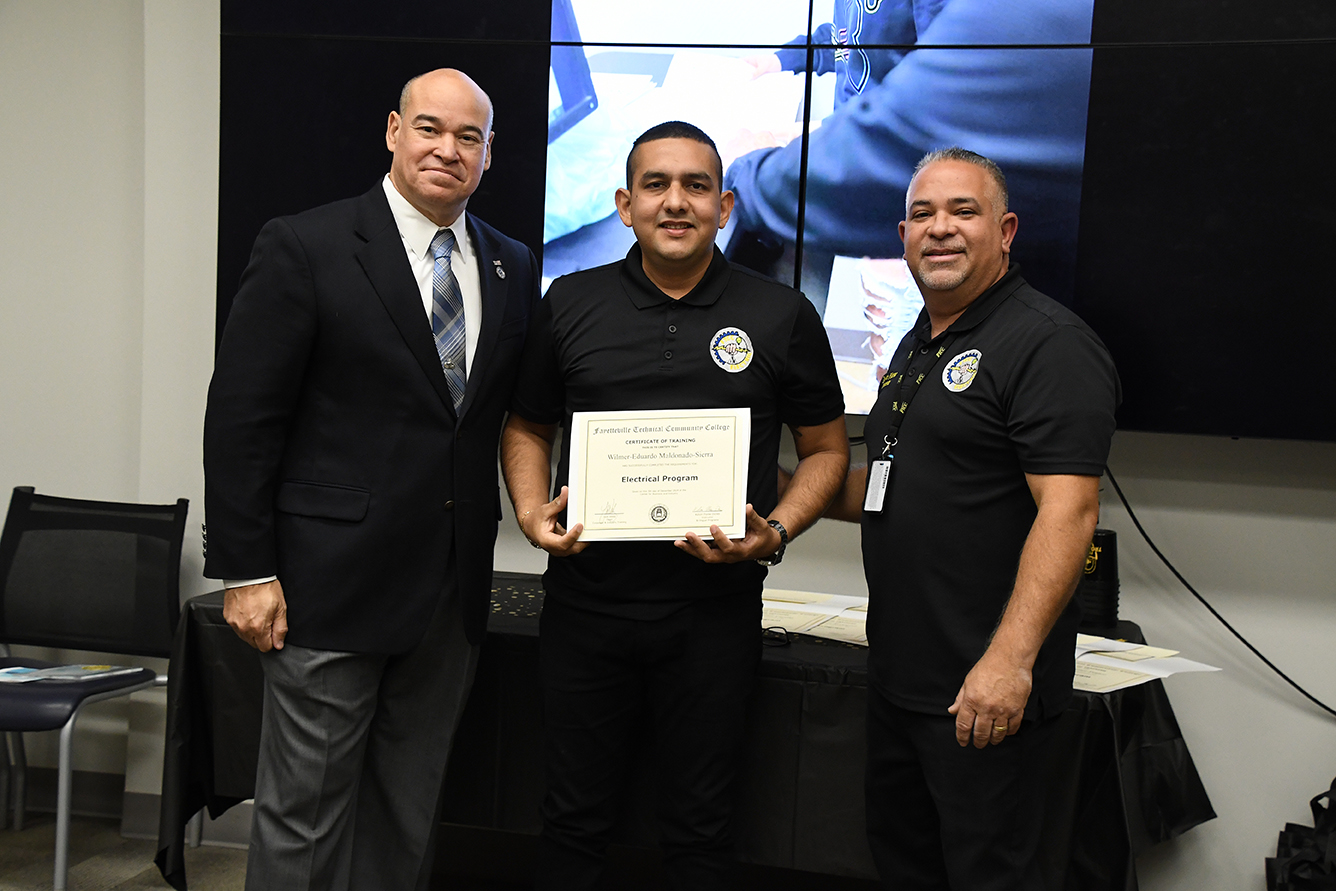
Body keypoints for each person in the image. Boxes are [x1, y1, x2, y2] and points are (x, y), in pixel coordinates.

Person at [202, 68, 539, 891]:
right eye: (430, 128)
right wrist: (246, 569)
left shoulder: (510, 264)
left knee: (406, 814)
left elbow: (496, 419)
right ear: (393, 131)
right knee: (305, 818)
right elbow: (242, 418)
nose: (447, 149)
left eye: (468, 137)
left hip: (449, 598)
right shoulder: (305, 245)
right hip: (326, 588)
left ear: (490, 153)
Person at [501, 121, 849, 890]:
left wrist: (777, 530)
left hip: (714, 615)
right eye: (655, 184)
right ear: (625, 205)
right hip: (586, 608)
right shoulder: (569, 301)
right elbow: (526, 424)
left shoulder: (782, 312)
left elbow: (827, 450)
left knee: (702, 829)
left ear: (725, 206)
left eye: (696, 185)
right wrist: (529, 511)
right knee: (571, 821)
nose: (675, 201)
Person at [812, 148, 1119, 889]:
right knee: (905, 867)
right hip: (901, 683)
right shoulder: (920, 340)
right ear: (902, 235)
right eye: (922, 214)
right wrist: (780, 491)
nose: (939, 228)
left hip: (985, 696)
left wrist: (1008, 663)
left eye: (963, 211)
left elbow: (1070, 511)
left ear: (1005, 231)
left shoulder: (1047, 343)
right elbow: (891, 487)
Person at [725, 0, 1096, 306]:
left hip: (904, 165)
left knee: (900, 313)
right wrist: (784, 59)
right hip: (862, 139)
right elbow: (842, 38)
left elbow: (935, 111)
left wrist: (758, 159)